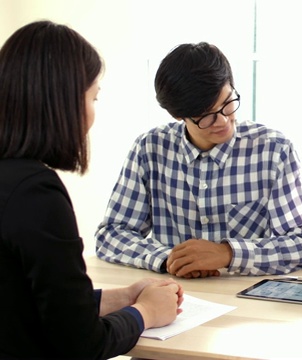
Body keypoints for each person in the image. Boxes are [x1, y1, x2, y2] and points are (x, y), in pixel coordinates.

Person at [0, 20, 184, 358]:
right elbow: (82, 343)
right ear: (63, 102)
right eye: (93, 97)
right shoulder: (36, 194)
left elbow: (32, 302)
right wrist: (146, 313)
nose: (92, 114)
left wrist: (126, 296)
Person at [95, 42, 302, 279]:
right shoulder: (150, 149)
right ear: (178, 115)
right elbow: (111, 235)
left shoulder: (273, 150)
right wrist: (170, 259)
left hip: (247, 299)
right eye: (206, 115)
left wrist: (227, 253)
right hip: (174, 297)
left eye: (228, 104)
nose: (223, 121)